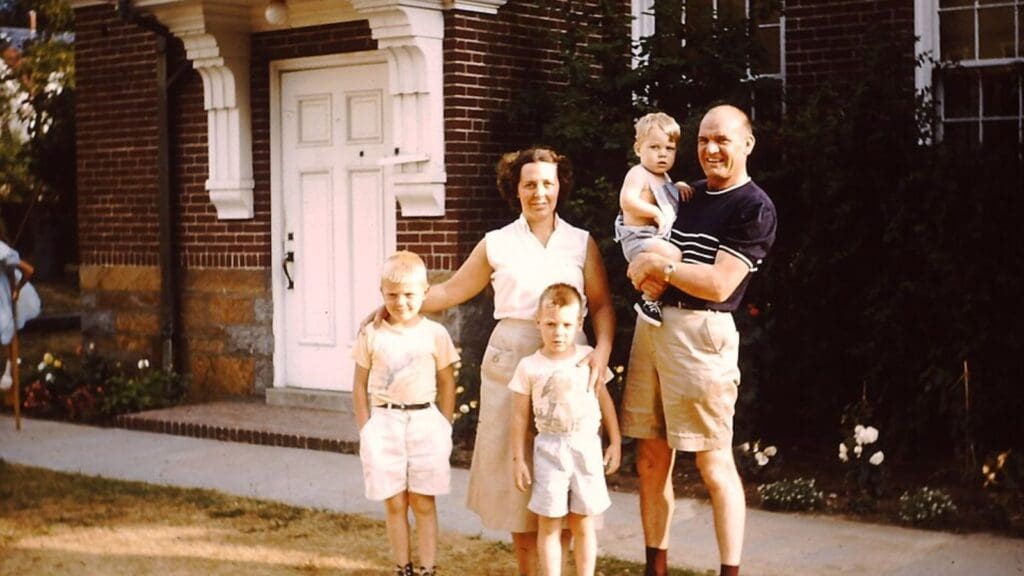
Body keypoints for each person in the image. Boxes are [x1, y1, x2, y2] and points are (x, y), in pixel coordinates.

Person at [374, 147, 615, 575]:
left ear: (559, 187)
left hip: (568, 365)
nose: (539, 192)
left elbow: (600, 305)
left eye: (547, 183)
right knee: (515, 479)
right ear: (514, 189)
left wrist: (602, 352)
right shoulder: (497, 242)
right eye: (529, 184)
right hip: (511, 360)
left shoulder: (580, 242)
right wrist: (399, 304)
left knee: (566, 476)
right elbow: (450, 290)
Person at [622, 105, 778, 576]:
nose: (710, 149)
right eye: (703, 140)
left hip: (702, 335)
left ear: (747, 144)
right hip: (652, 326)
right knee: (651, 459)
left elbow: (718, 283)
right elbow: (635, 230)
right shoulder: (684, 194)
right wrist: (648, 268)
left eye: (722, 140)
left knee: (713, 463)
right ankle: (655, 569)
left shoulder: (753, 207)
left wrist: (662, 268)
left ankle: (729, 572)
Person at [352, 250, 460, 576]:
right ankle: (403, 567)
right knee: (395, 501)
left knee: (423, 501)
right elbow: (359, 384)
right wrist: (366, 429)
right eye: (392, 295)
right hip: (384, 422)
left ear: (425, 292)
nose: (401, 302)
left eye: (409, 294)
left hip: (424, 422)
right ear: (382, 293)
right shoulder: (371, 334)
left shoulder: (435, 334)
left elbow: (447, 381)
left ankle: (428, 568)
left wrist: (445, 424)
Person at [509, 283, 621, 576]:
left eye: (566, 325)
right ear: (538, 323)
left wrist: (615, 441)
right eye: (550, 324)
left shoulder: (589, 358)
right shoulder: (529, 366)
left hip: (586, 448)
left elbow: (605, 401)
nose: (558, 332)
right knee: (549, 523)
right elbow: (519, 417)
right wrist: (518, 459)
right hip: (549, 449)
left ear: (579, 324)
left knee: (583, 522)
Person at [614, 112, 689, 328]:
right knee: (674, 255)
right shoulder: (638, 173)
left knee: (672, 259)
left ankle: (657, 296)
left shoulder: (664, 177)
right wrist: (654, 212)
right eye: (654, 147)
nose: (662, 154)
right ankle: (648, 300)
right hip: (638, 240)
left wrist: (677, 187)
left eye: (669, 148)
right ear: (639, 149)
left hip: (653, 239)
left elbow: (664, 195)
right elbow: (627, 201)